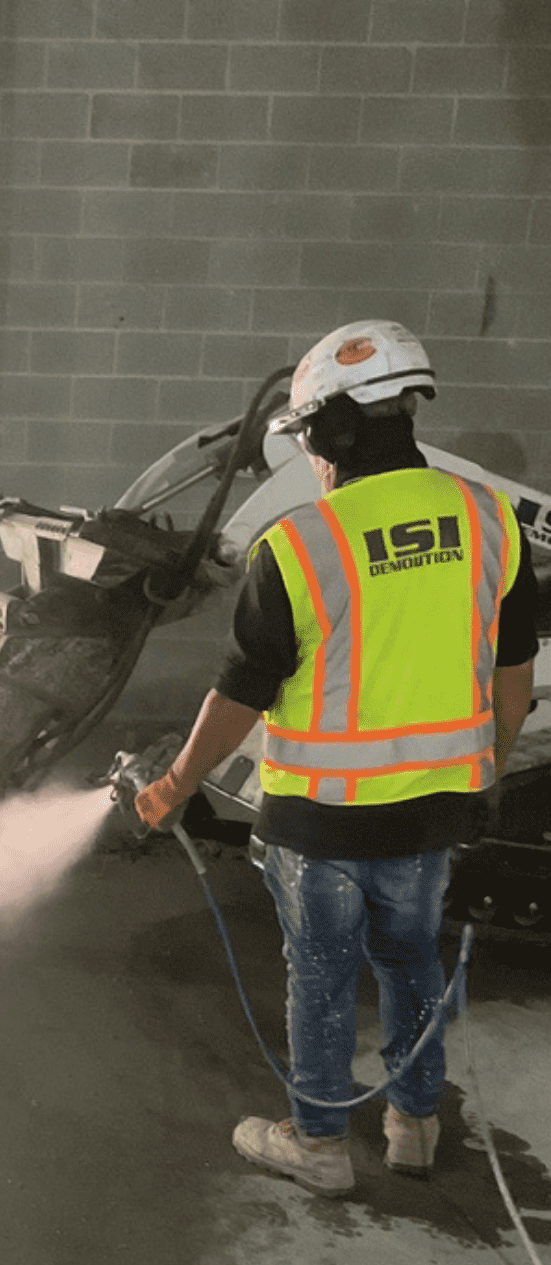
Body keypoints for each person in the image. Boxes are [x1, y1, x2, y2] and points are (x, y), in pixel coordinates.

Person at [134, 319, 539, 1194]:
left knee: (320, 978)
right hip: (434, 809)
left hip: (319, 820)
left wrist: (174, 785)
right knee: (410, 960)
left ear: (332, 431)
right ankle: (414, 1127)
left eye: (309, 433)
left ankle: (319, 1144)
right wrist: (488, 771)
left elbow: (240, 695)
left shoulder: (300, 545)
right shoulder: (489, 520)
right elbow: (516, 673)